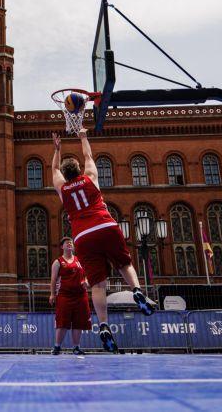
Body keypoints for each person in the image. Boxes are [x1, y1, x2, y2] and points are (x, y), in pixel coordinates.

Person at [51, 130, 157, 353]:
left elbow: (53, 169)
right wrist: (82, 137)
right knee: (124, 264)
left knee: (98, 284)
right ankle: (137, 291)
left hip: (82, 236)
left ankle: (104, 325)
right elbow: (89, 156)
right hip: (105, 225)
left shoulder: (62, 189)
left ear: (65, 174)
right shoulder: (90, 178)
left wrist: (57, 149)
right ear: (79, 170)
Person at [49, 237, 90, 355]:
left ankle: (76, 347)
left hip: (80, 296)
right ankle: (57, 347)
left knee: (79, 322)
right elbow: (53, 280)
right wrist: (52, 294)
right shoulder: (58, 262)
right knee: (62, 322)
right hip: (64, 296)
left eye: (71, 243)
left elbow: (87, 275)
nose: (69, 244)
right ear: (62, 247)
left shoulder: (79, 260)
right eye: (67, 243)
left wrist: (86, 281)